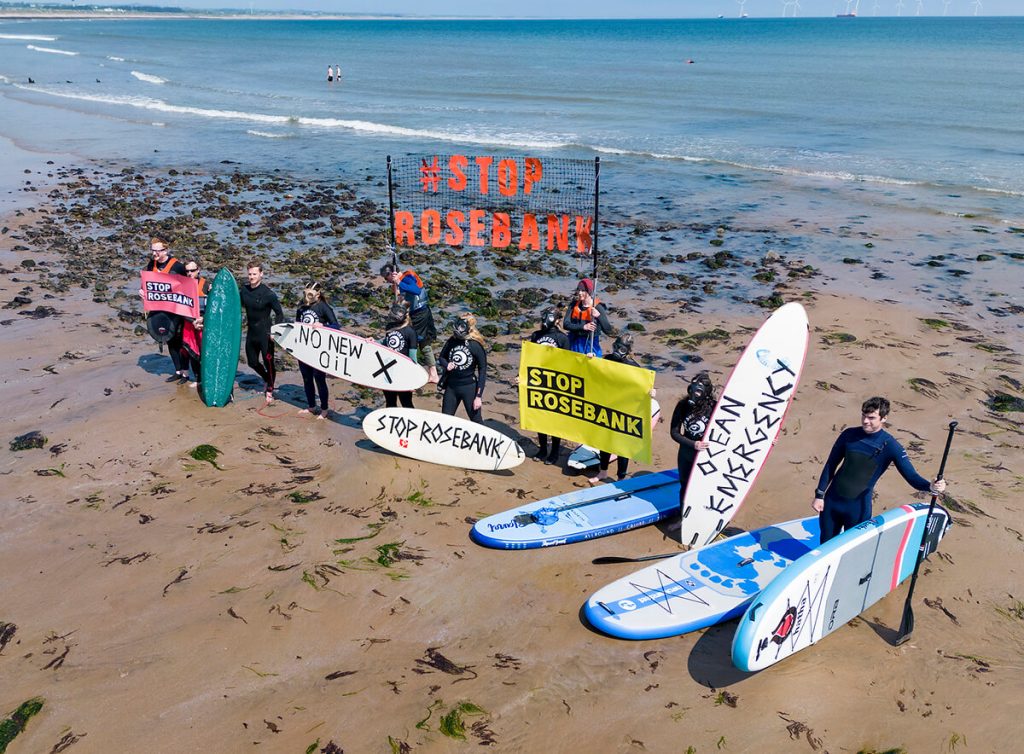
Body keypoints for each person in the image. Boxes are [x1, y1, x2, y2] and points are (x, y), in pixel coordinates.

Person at [813, 396, 947, 544]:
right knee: (825, 545)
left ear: (884, 418)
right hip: (832, 503)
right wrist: (819, 494)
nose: (865, 421)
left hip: (858, 509)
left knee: (853, 549)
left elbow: (912, 477)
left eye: (871, 417)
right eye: (863, 415)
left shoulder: (891, 446)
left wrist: (931, 486)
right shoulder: (849, 435)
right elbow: (831, 464)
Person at [592, 333, 657, 484]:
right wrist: (590, 360)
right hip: (607, 405)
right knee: (604, 441)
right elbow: (594, 372)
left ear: (627, 350)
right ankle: (603, 471)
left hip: (625, 410)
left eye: (621, 348)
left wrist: (651, 392)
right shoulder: (607, 359)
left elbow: (645, 387)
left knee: (623, 445)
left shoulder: (633, 366)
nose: (617, 351)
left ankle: (621, 478)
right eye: (616, 347)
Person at [381, 261, 439, 383]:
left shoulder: (408, 276)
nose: (388, 282)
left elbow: (416, 290)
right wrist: (396, 291)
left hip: (420, 314)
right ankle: (432, 373)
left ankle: (414, 372)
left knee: (416, 341)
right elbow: (401, 300)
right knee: (421, 342)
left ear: (392, 274)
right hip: (411, 315)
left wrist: (399, 282)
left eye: (388, 279)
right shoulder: (396, 284)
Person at [140, 237, 189, 383]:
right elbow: (147, 284)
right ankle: (178, 371)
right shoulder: (151, 264)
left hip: (176, 310)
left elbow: (187, 286)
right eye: (153, 250)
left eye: (158, 251)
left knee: (179, 340)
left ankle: (186, 373)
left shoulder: (178, 266)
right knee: (168, 339)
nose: (155, 253)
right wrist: (142, 291)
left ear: (165, 250)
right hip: (159, 309)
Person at [669, 372, 716, 519]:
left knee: (704, 488)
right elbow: (674, 432)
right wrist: (693, 444)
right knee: (685, 485)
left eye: (700, 390)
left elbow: (735, 430)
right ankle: (684, 519)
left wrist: (768, 441)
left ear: (707, 392)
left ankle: (703, 518)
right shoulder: (683, 405)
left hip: (707, 456)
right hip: (687, 453)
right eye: (694, 388)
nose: (695, 393)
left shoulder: (715, 408)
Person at [529, 306, 570, 464]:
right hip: (539, 382)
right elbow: (530, 358)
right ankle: (542, 449)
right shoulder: (536, 335)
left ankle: (554, 452)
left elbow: (568, 363)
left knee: (554, 420)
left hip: (556, 384)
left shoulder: (562, 339)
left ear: (557, 320)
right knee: (540, 418)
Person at [239, 261, 284, 404]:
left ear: (261, 274)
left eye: (254, 274)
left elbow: (279, 314)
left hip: (266, 334)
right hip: (251, 332)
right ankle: (266, 378)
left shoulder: (268, 294)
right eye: (250, 274)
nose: (251, 277)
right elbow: (233, 304)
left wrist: (275, 332)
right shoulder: (244, 290)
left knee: (268, 362)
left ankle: (270, 388)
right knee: (252, 362)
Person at [295, 281, 339, 418]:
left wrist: (323, 326)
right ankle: (312, 406)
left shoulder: (323, 307)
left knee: (319, 378)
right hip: (304, 349)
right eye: (305, 293)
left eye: (310, 294)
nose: (306, 297)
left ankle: (324, 409)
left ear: (318, 294)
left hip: (319, 350)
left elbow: (337, 326)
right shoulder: (301, 307)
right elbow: (297, 326)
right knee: (307, 378)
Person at [438, 313, 487, 424]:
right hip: (451, 387)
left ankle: (482, 441)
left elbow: (482, 371)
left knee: (476, 420)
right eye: (457, 325)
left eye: (462, 326)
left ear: (469, 328)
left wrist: (478, 396)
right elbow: (441, 357)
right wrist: (447, 365)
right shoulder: (452, 341)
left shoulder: (475, 345)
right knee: (445, 420)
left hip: (469, 387)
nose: (458, 329)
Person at [380, 301, 418, 409]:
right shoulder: (389, 327)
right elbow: (385, 344)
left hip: (403, 374)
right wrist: (372, 342)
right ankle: (390, 425)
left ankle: (413, 424)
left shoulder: (410, 332)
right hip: (389, 372)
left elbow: (413, 359)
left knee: (406, 402)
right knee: (390, 403)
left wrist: (413, 380)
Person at [563, 277, 613, 357]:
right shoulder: (573, 305)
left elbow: (608, 330)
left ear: (589, 292)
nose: (579, 293)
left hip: (591, 344)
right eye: (578, 290)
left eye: (583, 290)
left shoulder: (597, 307)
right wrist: (583, 327)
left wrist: (598, 316)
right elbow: (566, 325)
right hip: (574, 340)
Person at [179, 260, 209, 388]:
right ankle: (198, 378)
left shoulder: (206, 285)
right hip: (189, 322)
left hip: (204, 323)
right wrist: (193, 321)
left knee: (205, 352)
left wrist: (203, 319)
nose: (190, 273)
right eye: (187, 271)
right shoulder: (182, 286)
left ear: (198, 270)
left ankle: (206, 377)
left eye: (192, 270)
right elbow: (180, 308)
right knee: (191, 352)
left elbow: (214, 307)